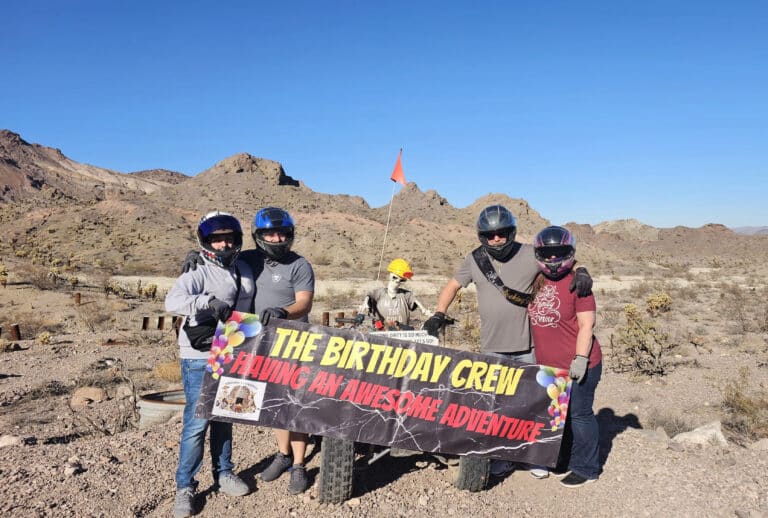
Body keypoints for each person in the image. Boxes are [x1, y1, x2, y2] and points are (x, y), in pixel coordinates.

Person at [423, 205, 593, 476]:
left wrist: (583, 270)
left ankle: (536, 457)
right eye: (490, 235)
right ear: (482, 236)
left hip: (529, 346)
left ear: (511, 232)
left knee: (534, 404)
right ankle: (504, 457)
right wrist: (438, 314)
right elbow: (452, 286)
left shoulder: (528, 253)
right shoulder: (475, 259)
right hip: (493, 347)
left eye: (502, 233)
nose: (497, 240)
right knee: (498, 408)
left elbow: (561, 258)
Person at [181, 206, 315, 495]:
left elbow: (305, 302)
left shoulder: (300, 264)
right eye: (270, 234)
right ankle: (283, 455)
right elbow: (219, 258)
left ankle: (300, 464)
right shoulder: (248, 259)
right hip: (259, 341)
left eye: (282, 234)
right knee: (276, 403)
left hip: (293, 339)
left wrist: (284, 311)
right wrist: (195, 256)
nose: (277, 238)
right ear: (258, 236)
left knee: (296, 406)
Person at [165, 211, 255, 518]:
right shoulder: (198, 270)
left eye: (229, 237)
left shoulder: (243, 267)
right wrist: (206, 302)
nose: (224, 243)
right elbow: (172, 302)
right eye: (217, 239)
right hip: (201, 354)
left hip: (231, 347)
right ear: (206, 241)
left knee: (225, 415)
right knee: (197, 421)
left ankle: (224, 472)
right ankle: (184, 486)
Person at [527, 225, 602, 488]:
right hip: (549, 366)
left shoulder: (578, 284)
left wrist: (580, 358)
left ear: (569, 253)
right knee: (558, 414)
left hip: (580, 363)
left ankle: (587, 467)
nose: (552, 259)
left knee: (579, 415)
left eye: (558, 253)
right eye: (547, 254)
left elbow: (586, 325)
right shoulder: (534, 280)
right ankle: (563, 458)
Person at [359, 258, 431, 329]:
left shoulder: (405, 295)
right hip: (381, 333)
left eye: (402, 280)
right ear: (392, 276)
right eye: (396, 278)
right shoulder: (379, 293)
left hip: (402, 332)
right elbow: (369, 296)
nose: (398, 281)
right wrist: (365, 305)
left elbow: (415, 300)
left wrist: (424, 310)